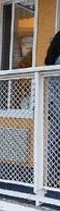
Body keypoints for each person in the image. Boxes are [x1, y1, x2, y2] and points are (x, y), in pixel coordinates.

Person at [47, 31, 60, 189]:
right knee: (56, 140)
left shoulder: (54, 60)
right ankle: (54, 177)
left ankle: (52, 176)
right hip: (57, 104)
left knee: (55, 139)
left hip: (54, 104)